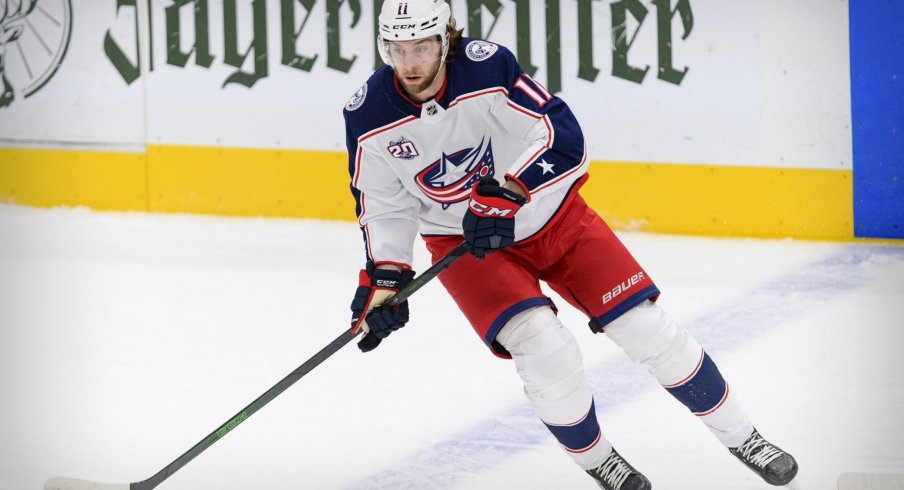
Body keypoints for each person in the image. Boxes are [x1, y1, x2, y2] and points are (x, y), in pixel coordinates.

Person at [342, 1, 798, 488]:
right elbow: (384, 205)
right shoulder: (368, 112)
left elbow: (563, 136)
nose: (410, 63)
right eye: (397, 49)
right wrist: (386, 279)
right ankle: (599, 459)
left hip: (552, 215)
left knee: (644, 328)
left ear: (445, 40)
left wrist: (513, 191)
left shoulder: (487, 66)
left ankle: (743, 435)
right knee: (544, 349)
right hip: (468, 245)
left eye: (422, 47)